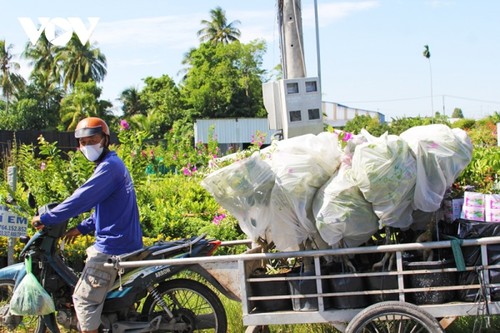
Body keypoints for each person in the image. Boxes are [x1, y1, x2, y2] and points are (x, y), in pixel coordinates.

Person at [31, 117, 143, 333]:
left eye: (93, 139)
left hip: (113, 248)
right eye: (83, 142)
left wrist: (46, 218)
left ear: (105, 140)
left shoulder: (108, 168)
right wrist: (81, 228)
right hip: (123, 242)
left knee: (83, 299)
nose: (87, 145)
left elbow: (81, 199)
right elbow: (106, 210)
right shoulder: (113, 164)